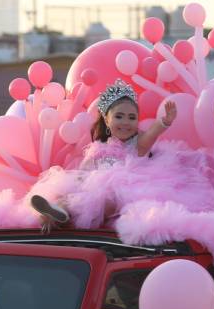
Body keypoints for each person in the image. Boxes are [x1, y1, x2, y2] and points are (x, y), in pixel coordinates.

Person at [30, 78, 177, 231]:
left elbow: (150, 136)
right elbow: (81, 176)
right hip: (91, 193)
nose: (126, 122)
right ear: (107, 120)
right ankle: (56, 213)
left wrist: (164, 122)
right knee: (73, 197)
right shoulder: (98, 150)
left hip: (126, 195)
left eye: (132, 118)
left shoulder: (137, 145)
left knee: (104, 201)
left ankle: (65, 215)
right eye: (119, 116)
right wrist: (69, 194)